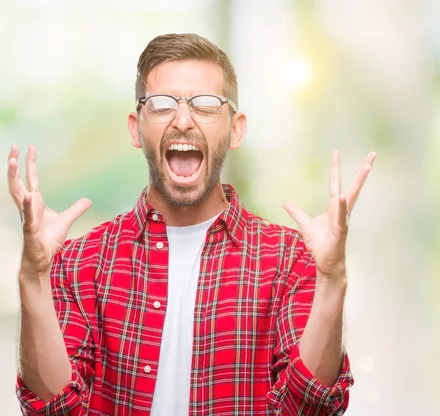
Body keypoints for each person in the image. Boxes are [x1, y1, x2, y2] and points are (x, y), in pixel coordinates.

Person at [7, 33, 376, 415]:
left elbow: (308, 409)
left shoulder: (289, 259)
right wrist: (32, 276)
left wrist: (333, 278)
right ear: (136, 127)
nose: (183, 121)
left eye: (205, 105)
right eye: (163, 105)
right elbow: (52, 410)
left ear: (235, 129)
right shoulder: (80, 262)